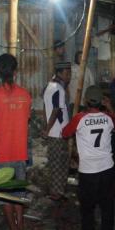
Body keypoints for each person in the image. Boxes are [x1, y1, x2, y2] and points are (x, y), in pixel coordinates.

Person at [62, 86, 115, 230]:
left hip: (88, 171)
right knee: (107, 204)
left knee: (87, 207)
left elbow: (65, 133)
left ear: (86, 101)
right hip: (107, 168)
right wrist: (109, 107)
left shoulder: (79, 118)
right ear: (102, 101)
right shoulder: (108, 118)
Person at [0, 54, 32, 230]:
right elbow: (26, 119)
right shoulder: (25, 94)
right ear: (15, 71)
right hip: (20, 151)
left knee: (4, 194)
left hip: (1, 153)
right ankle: (21, 227)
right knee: (18, 192)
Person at [43, 61, 72, 201]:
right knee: (60, 163)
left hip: (54, 132)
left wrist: (46, 127)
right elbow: (56, 111)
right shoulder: (59, 89)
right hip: (59, 132)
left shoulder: (48, 86)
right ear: (59, 74)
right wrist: (47, 129)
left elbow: (46, 109)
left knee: (55, 162)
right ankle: (57, 192)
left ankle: (56, 191)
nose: (69, 76)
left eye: (69, 73)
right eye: (67, 73)